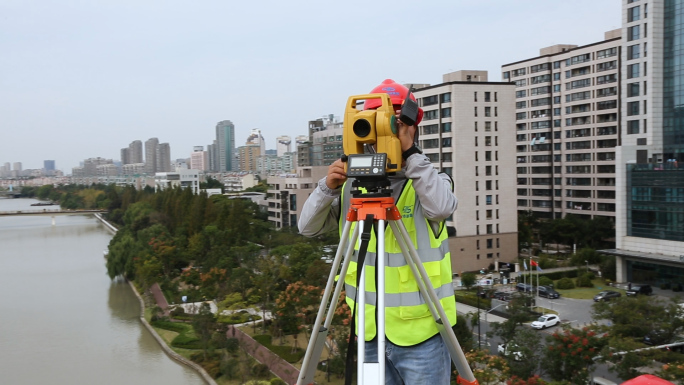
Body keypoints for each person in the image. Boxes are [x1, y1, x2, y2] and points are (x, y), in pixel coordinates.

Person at [298, 79, 458, 384]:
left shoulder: (429, 181)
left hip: (422, 338)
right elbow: (307, 228)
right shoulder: (351, 190)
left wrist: (410, 151)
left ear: (411, 127)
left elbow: (440, 207)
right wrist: (327, 188)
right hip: (369, 335)